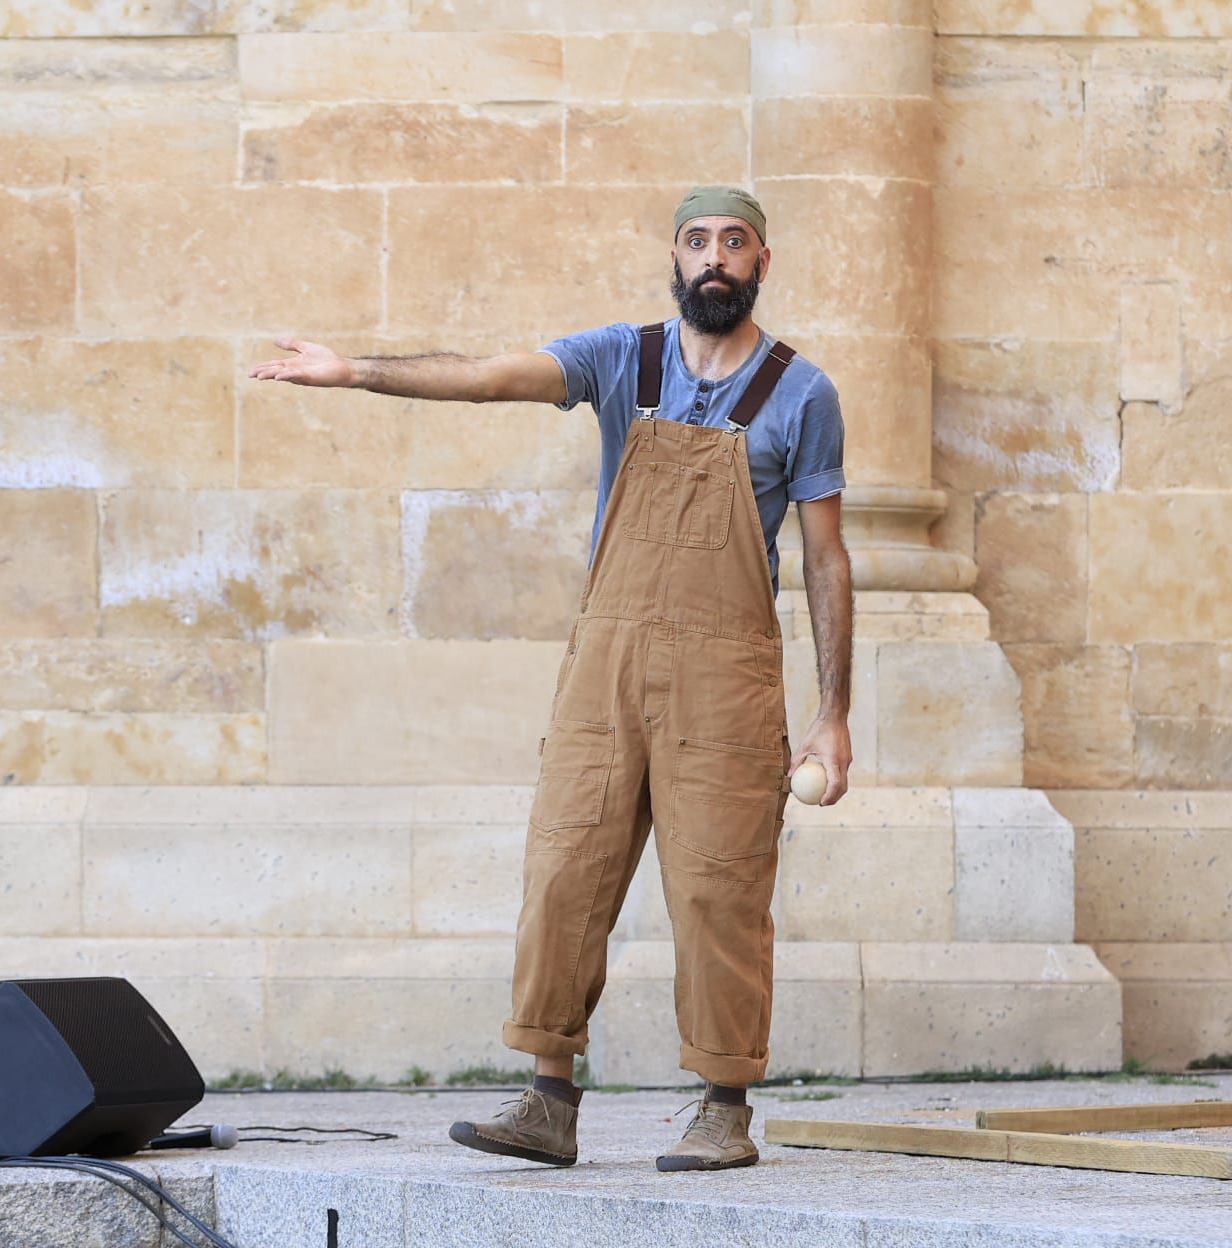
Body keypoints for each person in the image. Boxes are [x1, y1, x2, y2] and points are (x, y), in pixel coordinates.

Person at [249, 185, 854, 1171]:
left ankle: (724, 1106)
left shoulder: (804, 393)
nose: (714, 258)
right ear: (673, 256)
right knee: (565, 866)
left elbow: (828, 560)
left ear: (760, 263)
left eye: (733, 243)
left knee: (720, 889)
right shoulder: (625, 358)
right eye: (697, 240)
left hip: (728, 673)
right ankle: (547, 1098)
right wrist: (357, 371)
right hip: (605, 662)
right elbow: (491, 377)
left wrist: (833, 714)